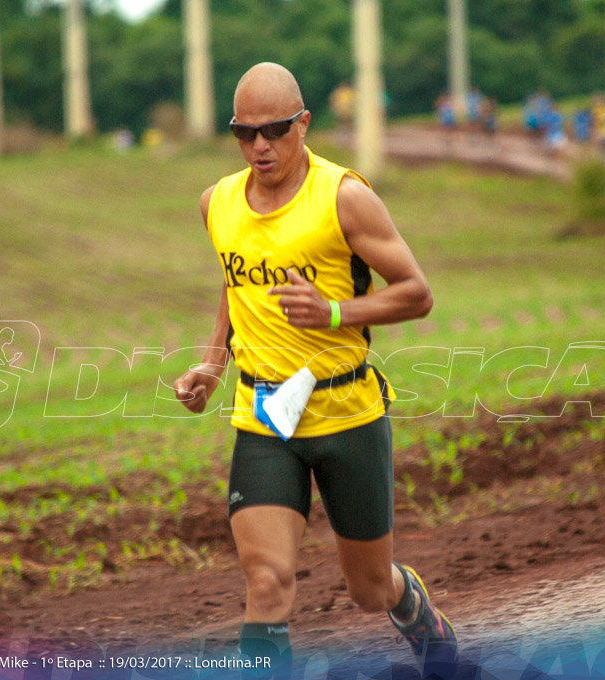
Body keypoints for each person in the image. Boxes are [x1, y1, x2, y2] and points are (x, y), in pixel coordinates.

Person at [172, 63, 457, 678]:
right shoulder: (217, 203)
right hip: (265, 416)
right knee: (267, 581)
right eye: (244, 134)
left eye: (274, 131)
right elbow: (234, 281)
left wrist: (334, 312)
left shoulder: (344, 196)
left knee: (370, 589)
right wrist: (211, 364)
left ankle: (416, 612)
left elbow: (416, 292)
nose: (259, 147)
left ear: (303, 124)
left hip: (346, 410)